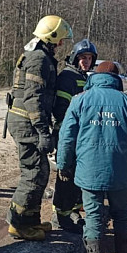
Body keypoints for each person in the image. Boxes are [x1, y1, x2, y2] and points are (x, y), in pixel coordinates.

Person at [56, 61, 127, 253]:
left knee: (93, 218)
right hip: (120, 171)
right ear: (116, 78)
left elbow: (66, 137)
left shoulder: (80, 100)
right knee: (121, 216)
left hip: (89, 170)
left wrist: (63, 165)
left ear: (95, 76)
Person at [6, 15, 73, 241]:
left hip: (27, 122)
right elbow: (33, 98)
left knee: (41, 171)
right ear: (51, 37)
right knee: (33, 173)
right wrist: (43, 131)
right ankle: (17, 223)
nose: (62, 44)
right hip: (27, 123)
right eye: (60, 40)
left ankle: (31, 220)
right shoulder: (39, 59)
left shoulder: (40, 55)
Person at [50, 39, 97, 234]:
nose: (86, 61)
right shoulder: (68, 77)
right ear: (74, 58)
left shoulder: (83, 77)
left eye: (89, 58)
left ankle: (73, 211)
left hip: (81, 135)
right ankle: (60, 217)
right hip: (67, 134)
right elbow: (61, 109)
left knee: (78, 175)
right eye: (82, 58)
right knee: (66, 176)